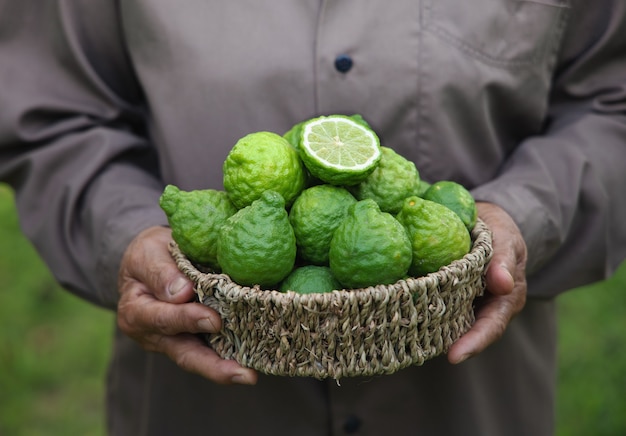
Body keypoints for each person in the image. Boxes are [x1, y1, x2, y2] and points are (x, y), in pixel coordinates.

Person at [1, 1, 625, 435]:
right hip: (201, 406)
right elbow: (52, 114)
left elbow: (613, 103)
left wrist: (524, 215)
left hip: (471, 401)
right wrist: (125, 234)